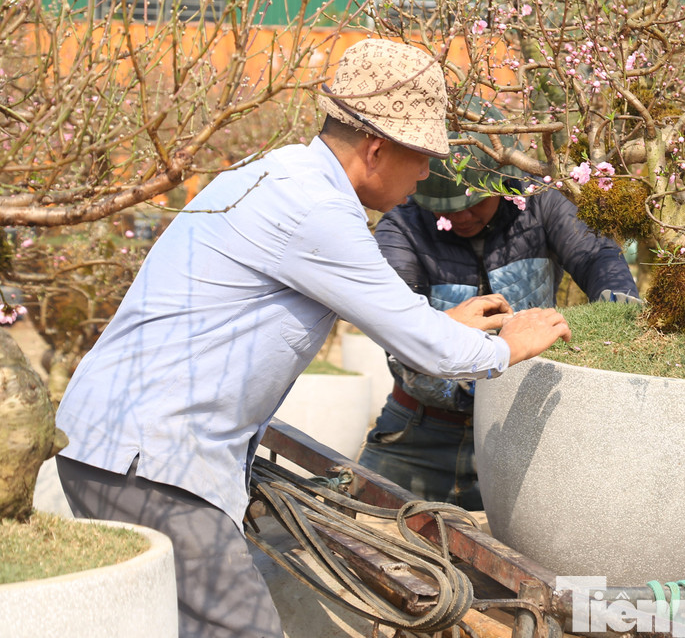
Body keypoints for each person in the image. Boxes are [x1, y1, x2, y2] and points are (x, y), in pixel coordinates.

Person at [53, 39, 572, 638]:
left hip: (122, 445)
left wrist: (444, 325)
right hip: (153, 461)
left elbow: (370, 311)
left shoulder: (278, 174)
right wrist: (511, 345)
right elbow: (431, 350)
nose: (429, 175)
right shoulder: (315, 209)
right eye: (423, 157)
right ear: (376, 149)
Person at [358, 128, 638, 509]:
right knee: (363, 534)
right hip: (416, 432)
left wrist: (619, 316)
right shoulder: (402, 226)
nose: (461, 216)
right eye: (446, 208)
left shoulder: (539, 202)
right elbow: (395, 319)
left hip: (522, 432)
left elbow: (595, 256)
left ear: (502, 182)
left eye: (473, 203)